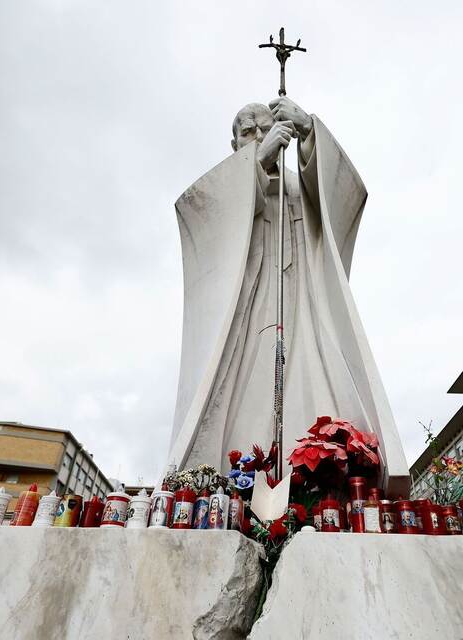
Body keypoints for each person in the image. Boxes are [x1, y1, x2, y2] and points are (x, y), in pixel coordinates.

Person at [167, 96, 408, 495]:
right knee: (247, 394)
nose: (262, 135)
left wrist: (310, 131)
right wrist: (256, 164)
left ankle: (314, 480)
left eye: (267, 126)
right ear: (234, 145)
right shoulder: (224, 187)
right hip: (247, 314)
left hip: (304, 309)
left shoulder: (300, 188)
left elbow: (347, 194)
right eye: (249, 131)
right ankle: (235, 482)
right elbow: (196, 211)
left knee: (310, 386)